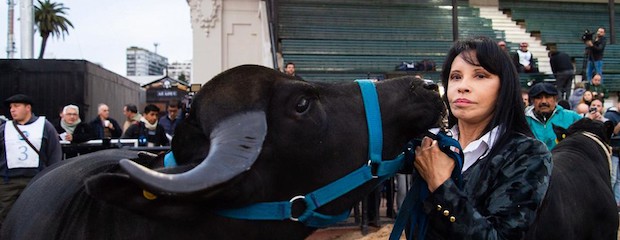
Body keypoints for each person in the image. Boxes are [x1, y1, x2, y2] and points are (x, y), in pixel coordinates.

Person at [406, 37, 552, 239]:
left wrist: (441, 185)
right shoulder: (432, 146)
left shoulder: (528, 154)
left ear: (504, 87)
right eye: (455, 77)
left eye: (480, 76)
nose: (462, 86)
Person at [0, 94, 62, 225]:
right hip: (8, 181)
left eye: (16, 106)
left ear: (28, 108)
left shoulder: (45, 126)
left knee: (36, 216)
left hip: (36, 180)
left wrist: (51, 177)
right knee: (5, 217)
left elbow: (54, 153)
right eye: (11, 107)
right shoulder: (4, 128)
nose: (12, 110)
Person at [526, 82, 582, 149]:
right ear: (532, 100)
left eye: (547, 97)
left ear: (555, 99)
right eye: (539, 98)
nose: (543, 101)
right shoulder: (524, 120)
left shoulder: (571, 117)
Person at [604, 101, 620, 209]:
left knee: (619, 178)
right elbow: (612, 132)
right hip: (613, 150)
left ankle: (617, 202)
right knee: (612, 177)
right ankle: (609, 201)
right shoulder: (610, 114)